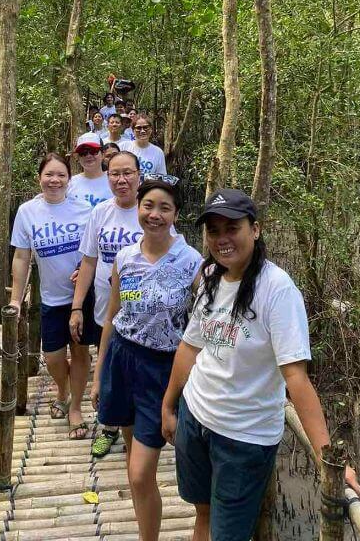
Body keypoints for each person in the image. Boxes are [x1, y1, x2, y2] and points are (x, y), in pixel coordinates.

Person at [161, 189, 360, 541]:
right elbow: (190, 348)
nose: (222, 239)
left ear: (255, 229)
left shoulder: (277, 290)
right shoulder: (211, 276)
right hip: (196, 416)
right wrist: (169, 404)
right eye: (213, 231)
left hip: (244, 437)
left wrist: (327, 457)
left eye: (232, 228)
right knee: (202, 512)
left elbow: (296, 378)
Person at [91, 180, 202, 541]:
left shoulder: (192, 263)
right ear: (138, 207)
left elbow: (202, 325)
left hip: (163, 369)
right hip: (122, 359)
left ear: (175, 215)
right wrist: (98, 374)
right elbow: (112, 317)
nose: (154, 214)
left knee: (140, 472)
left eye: (164, 208)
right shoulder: (125, 257)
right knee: (131, 459)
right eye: (148, 205)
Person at [9, 153, 99, 439]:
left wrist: (83, 271)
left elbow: (93, 252)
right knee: (53, 358)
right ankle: (62, 390)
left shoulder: (85, 210)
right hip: (50, 298)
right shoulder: (27, 212)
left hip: (81, 297)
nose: (55, 180)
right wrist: (16, 298)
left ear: (69, 180)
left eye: (61, 175)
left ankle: (74, 408)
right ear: (40, 178)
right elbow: (22, 257)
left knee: (81, 351)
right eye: (49, 174)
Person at [70, 151, 143, 457]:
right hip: (105, 308)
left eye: (127, 173)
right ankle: (109, 425)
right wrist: (76, 307)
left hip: (142, 310)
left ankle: (140, 429)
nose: (121, 180)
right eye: (114, 174)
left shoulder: (150, 210)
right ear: (107, 176)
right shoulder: (100, 212)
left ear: (139, 175)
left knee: (139, 367)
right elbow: (88, 261)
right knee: (109, 365)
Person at [66, 134, 113, 208]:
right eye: (83, 152)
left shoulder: (114, 180)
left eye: (93, 151)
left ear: (103, 154)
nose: (88, 155)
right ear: (78, 157)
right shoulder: (70, 183)